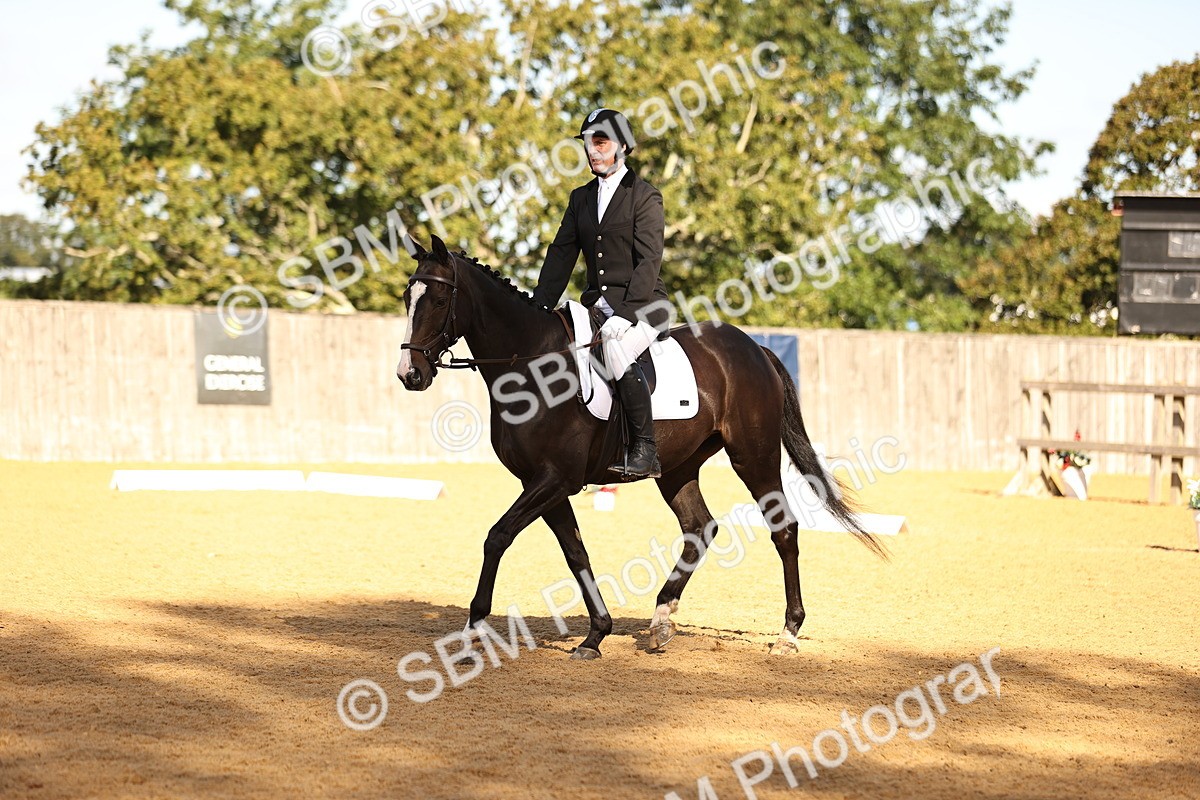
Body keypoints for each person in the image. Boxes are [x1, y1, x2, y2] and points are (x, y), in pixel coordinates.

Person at [531, 108, 670, 479]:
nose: (592, 151)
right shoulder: (580, 198)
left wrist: (625, 316)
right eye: (588, 144)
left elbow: (649, 260)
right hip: (597, 306)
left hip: (645, 305)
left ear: (623, 146)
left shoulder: (645, 197)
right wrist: (537, 307)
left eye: (601, 142)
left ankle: (645, 449)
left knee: (615, 348)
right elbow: (561, 254)